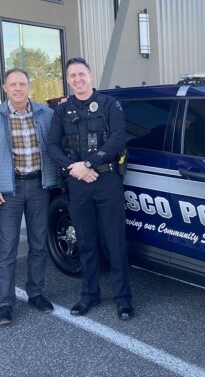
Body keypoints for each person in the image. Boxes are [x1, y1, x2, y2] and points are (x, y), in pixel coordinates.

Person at [47, 57, 133, 320]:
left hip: (106, 180)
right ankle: (90, 295)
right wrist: (75, 168)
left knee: (115, 241)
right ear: (68, 79)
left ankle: (123, 299)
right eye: (72, 75)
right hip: (78, 183)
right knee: (86, 241)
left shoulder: (109, 104)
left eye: (81, 74)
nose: (77, 79)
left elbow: (118, 138)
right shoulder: (62, 110)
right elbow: (52, 146)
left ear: (91, 76)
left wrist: (88, 163)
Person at [0, 68, 58, 326]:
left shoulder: (46, 114)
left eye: (22, 83)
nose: (17, 88)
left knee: (38, 243)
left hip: (38, 186)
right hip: (9, 191)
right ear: (5, 88)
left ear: (29, 86)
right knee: (8, 248)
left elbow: (60, 138)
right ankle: (5, 303)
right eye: (12, 84)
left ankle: (35, 293)